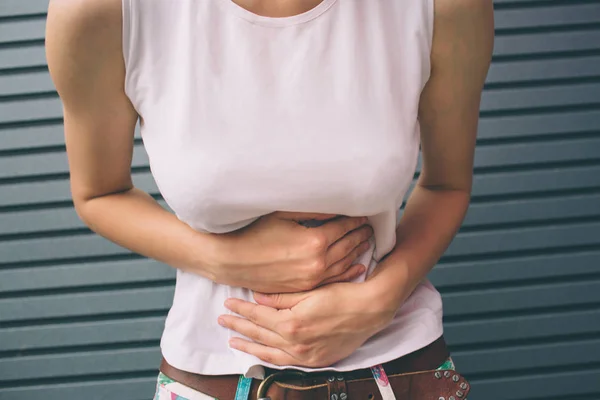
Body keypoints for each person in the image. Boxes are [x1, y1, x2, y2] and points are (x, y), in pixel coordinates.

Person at [46, 0, 494, 398]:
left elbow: (445, 186)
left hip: (401, 368)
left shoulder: (445, 7)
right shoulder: (102, 10)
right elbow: (99, 194)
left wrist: (382, 298)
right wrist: (224, 259)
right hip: (213, 377)